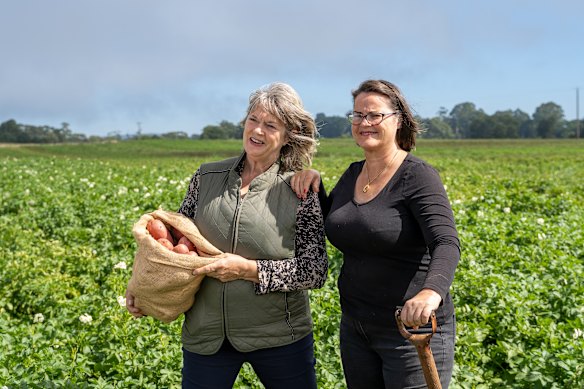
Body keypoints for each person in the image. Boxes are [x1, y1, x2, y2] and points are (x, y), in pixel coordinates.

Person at [126, 82, 328, 389]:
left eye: (270, 125)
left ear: (288, 135)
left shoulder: (299, 188)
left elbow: (315, 270)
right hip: (207, 335)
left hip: (279, 336)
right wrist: (142, 285)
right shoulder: (206, 177)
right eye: (253, 120)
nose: (257, 131)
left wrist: (249, 271)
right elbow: (178, 243)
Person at [291, 79, 460, 388]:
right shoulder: (354, 173)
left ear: (397, 120)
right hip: (356, 328)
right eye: (357, 115)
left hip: (410, 332)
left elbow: (445, 242)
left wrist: (430, 292)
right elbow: (339, 221)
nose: (363, 123)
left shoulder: (417, 176)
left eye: (374, 115)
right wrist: (313, 183)